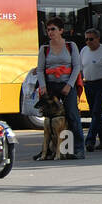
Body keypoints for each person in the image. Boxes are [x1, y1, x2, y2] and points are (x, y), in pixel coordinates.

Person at [37, 16, 85, 158]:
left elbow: (77, 67)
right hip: (51, 86)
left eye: (53, 29)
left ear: (61, 30)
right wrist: (43, 86)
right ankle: (50, 150)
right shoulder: (44, 48)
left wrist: (69, 85)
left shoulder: (71, 46)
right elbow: (40, 69)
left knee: (72, 115)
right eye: (48, 29)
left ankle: (78, 149)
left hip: (66, 84)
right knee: (50, 118)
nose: (50, 32)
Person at [81, 27, 102, 151]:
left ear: (98, 39)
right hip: (88, 84)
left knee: (96, 112)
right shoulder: (84, 50)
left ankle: (90, 140)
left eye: (91, 39)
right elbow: (81, 69)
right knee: (96, 114)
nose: (88, 42)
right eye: (86, 39)